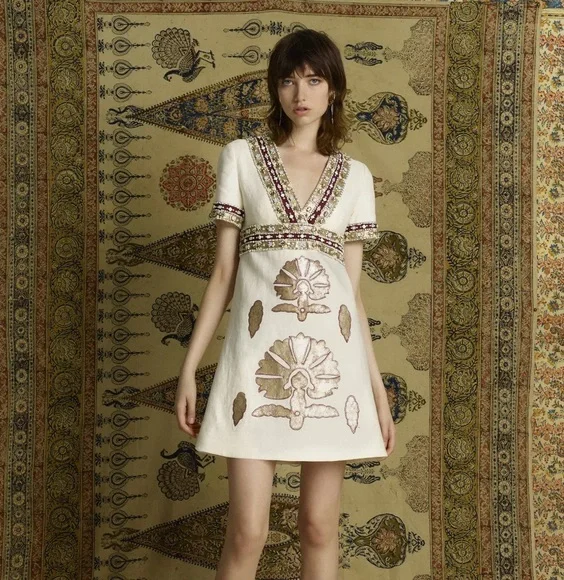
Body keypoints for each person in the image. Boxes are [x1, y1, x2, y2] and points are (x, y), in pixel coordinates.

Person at [175, 29, 396, 580]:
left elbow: (352, 296)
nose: (301, 93)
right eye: (289, 80)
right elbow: (223, 274)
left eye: (314, 80)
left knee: (319, 527)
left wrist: (376, 391)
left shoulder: (356, 177)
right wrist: (189, 369)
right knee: (248, 531)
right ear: (275, 89)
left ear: (333, 89)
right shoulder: (241, 158)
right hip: (253, 367)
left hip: (335, 372)